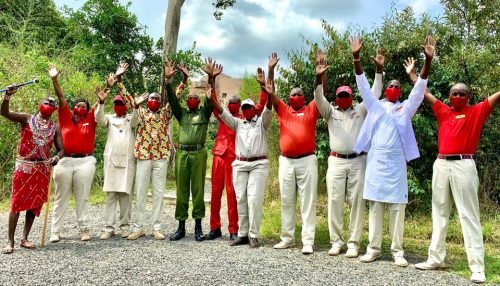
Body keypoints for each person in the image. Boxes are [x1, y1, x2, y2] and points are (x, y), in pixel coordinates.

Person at [403, 58, 500, 283]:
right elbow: (424, 93)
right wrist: (412, 75)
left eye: (461, 94)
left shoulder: (477, 111)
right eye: (453, 93)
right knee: (439, 211)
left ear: (468, 97)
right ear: (449, 96)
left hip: (464, 165)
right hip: (441, 164)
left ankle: (477, 267)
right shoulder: (443, 111)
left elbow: (496, 97)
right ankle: (435, 258)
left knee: (468, 214)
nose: (457, 97)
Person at [350, 35, 434, 266]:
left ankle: (398, 252)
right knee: (375, 206)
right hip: (375, 162)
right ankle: (373, 249)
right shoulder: (375, 106)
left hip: (397, 164)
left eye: (398, 86)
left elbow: (419, 90)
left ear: (401, 90)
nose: (394, 88)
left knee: (397, 208)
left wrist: (427, 61)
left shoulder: (405, 109)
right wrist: (356, 57)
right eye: (391, 85)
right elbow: (363, 86)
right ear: (385, 88)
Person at [313, 48, 384, 258]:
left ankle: (353, 243)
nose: (343, 98)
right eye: (340, 95)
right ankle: (336, 241)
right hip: (336, 162)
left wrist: (379, 69)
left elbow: (375, 92)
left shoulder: (361, 109)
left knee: (356, 202)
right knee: (334, 201)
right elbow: (318, 97)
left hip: (358, 161)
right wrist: (318, 77)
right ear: (336, 97)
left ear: (351, 96)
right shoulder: (329, 111)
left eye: (346, 95)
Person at [207, 70, 273, 248]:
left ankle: (247, 233)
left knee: (248, 198)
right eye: (239, 105)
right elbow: (217, 108)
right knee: (236, 197)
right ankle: (230, 231)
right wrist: (211, 81)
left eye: (245, 105)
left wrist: (265, 84)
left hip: (251, 162)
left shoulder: (257, 121)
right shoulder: (235, 121)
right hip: (233, 160)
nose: (242, 108)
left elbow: (266, 105)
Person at [265, 52, 319, 255]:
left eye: (299, 94)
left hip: (307, 160)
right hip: (286, 161)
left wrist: (319, 75)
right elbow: (270, 91)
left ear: (304, 97)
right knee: (286, 200)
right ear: (288, 98)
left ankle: (307, 241)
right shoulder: (283, 110)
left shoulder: (312, 108)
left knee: (308, 201)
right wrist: (271, 69)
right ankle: (287, 238)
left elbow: (320, 93)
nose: (295, 96)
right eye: (292, 94)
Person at [1, 85, 63, 254]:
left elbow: (61, 149)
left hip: (42, 169)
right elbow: (5, 113)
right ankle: (10, 241)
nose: (49, 103)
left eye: (52, 103)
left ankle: (25, 238)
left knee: (33, 204)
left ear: (55, 109)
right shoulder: (26, 119)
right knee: (16, 203)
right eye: (46, 101)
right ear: (39, 104)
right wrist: (7, 96)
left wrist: (56, 158)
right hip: (24, 167)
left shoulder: (55, 128)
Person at [49, 64, 107, 243]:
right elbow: (60, 97)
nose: (81, 108)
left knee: (83, 197)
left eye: (84, 106)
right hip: (65, 161)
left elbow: (101, 99)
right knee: (61, 198)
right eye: (78, 106)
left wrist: (109, 87)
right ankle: (55, 231)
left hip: (85, 161)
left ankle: (84, 230)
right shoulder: (65, 116)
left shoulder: (90, 118)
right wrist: (54, 79)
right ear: (73, 107)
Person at [166, 61, 213, 242]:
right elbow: (171, 100)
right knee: (182, 190)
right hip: (182, 154)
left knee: (198, 190)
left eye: (195, 98)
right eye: (190, 98)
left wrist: (211, 78)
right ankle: (181, 227)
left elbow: (210, 98)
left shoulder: (204, 113)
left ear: (199, 102)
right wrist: (168, 82)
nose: (192, 99)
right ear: (186, 101)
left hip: (199, 153)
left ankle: (198, 227)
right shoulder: (181, 114)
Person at [127, 64, 174, 241]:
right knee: (139, 193)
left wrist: (177, 81)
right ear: (147, 101)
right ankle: (138, 228)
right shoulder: (140, 112)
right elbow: (132, 121)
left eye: (157, 98)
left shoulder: (165, 114)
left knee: (158, 193)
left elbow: (176, 97)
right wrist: (134, 104)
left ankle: (157, 227)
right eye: (151, 98)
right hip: (144, 157)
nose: (154, 100)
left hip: (161, 157)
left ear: (161, 102)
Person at [96, 63, 140, 240]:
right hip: (112, 161)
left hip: (128, 161)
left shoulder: (131, 119)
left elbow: (137, 121)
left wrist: (136, 107)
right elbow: (97, 118)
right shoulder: (108, 118)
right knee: (111, 195)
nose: (119, 105)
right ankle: (108, 227)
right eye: (116, 103)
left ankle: (124, 226)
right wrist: (100, 102)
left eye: (121, 103)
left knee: (125, 196)